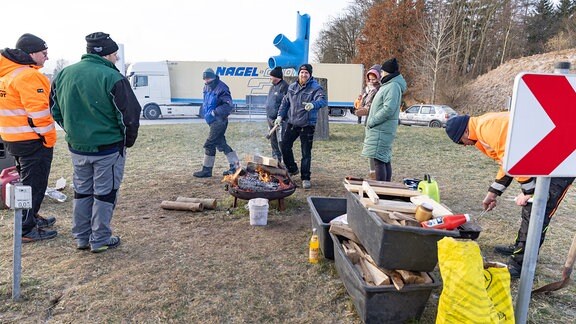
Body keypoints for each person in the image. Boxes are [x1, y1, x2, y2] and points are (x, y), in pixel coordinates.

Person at [445, 112, 574, 278]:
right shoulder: (481, 132)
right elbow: (506, 164)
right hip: (544, 156)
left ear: (464, 133)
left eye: (461, 142)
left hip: (561, 159)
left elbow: (514, 161)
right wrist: (493, 193)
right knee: (531, 208)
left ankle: (521, 263)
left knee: (538, 209)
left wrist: (530, 193)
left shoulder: (487, 128)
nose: (465, 145)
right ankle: (520, 248)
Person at [50, 32, 141, 253]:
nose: (117, 59)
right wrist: (127, 141)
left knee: (82, 192)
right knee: (104, 193)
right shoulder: (113, 78)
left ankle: (81, 237)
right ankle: (99, 239)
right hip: (108, 148)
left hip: (77, 147)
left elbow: (55, 110)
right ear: (108, 54)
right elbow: (129, 115)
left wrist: (74, 131)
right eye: (115, 55)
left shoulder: (63, 74)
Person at [0, 33, 58, 243]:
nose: (46, 57)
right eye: (44, 53)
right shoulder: (29, 76)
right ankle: (26, 228)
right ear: (31, 53)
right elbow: (39, 113)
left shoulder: (6, 74)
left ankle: (30, 217)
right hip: (32, 140)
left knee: (26, 183)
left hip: (12, 139)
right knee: (35, 184)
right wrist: (49, 139)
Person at [275, 63, 327, 190]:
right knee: (284, 145)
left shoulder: (315, 88)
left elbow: (323, 101)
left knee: (306, 152)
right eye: (302, 73)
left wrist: (313, 104)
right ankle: (292, 168)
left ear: (310, 75)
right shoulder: (292, 87)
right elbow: (285, 102)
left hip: (307, 124)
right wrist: (279, 116)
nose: (303, 75)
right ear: (298, 74)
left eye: (306, 73)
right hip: (292, 122)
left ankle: (305, 178)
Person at [361, 58, 407, 182]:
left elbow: (388, 109)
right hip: (382, 129)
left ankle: (381, 190)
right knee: (383, 159)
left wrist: (372, 121)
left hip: (381, 129)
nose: (380, 74)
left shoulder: (392, 86)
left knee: (379, 161)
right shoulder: (389, 85)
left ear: (387, 72)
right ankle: (385, 188)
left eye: (382, 72)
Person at [193, 68, 240, 178]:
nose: (206, 81)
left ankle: (207, 170)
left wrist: (214, 113)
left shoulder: (222, 87)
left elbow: (228, 105)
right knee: (221, 144)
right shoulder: (206, 87)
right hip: (212, 121)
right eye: (204, 79)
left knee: (209, 144)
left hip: (220, 121)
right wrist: (205, 113)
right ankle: (236, 166)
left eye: (208, 78)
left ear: (213, 77)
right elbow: (206, 102)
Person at [356, 65, 381, 179]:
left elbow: (373, 106)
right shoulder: (367, 89)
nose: (371, 81)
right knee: (369, 149)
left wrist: (365, 110)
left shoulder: (379, 89)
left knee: (374, 150)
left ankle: (375, 173)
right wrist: (359, 102)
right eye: (369, 79)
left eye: (374, 79)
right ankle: (372, 171)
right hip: (368, 121)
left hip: (375, 121)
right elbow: (362, 103)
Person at [265, 66, 288, 163]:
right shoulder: (272, 87)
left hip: (280, 120)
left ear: (276, 77)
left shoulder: (284, 87)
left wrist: (281, 117)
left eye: (271, 76)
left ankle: (285, 161)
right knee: (273, 141)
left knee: (281, 141)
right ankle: (276, 159)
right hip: (270, 119)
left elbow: (287, 104)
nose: (270, 77)